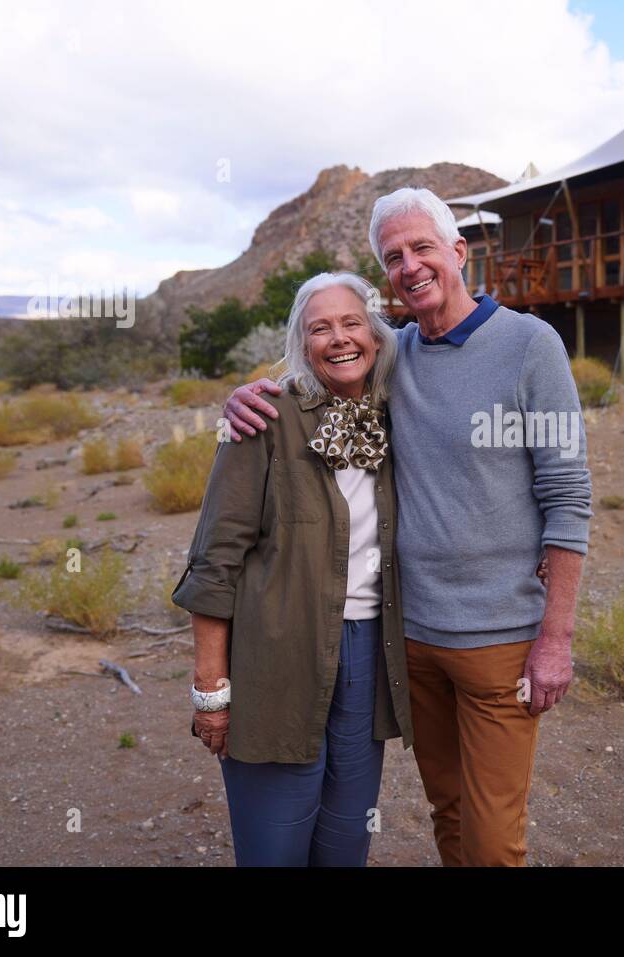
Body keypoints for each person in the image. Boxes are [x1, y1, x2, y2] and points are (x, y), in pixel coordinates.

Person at [222, 187, 592, 866]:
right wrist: (247, 395)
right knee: (447, 812)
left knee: (490, 836)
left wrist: (556, 639)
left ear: (457, 252)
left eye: (423, 247)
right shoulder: (398, 354)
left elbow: (569, 496)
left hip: (499, 641)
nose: (410, 265)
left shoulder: (530, 346)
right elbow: (328, 365)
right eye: (393, 256)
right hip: (411, 641)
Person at [172, 271, 413, 866]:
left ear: (377, 337)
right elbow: (215, 561)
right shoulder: (263, 418)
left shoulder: (398, 412)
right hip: (276, 656)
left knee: (345, 843)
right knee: (275, 845)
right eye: (320, 328)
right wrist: (211, 692)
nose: (339, 338)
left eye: (352, 322)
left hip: (368, 657)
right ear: (301, 345)